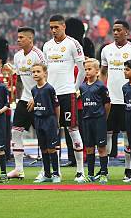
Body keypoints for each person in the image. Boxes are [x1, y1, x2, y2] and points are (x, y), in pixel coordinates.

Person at [43, 15, 86, 183]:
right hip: (50, 95)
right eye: (51, 28)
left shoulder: (73, 44)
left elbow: (82, 70)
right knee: (52, 132)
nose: (53, 30)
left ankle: (80, 171)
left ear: (63, 26)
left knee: (72, 130)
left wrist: (75, 88)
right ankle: (55, 173)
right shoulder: (47, 46)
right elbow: (45, 70)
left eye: (56, 27)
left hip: (67, 93)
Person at [100, 20, 131, 180]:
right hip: (111, 100)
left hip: (128, 101)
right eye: (114, 30)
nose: (116, 32)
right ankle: (104, 170)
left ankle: (128, 169)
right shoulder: (106, 50)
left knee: (128, 135)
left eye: (119, 30)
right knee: (108, 134)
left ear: (127, 31)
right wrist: (102, 88)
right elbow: (103, 71)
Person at [9, 27, 45, 179]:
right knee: (16, 132)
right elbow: (18, 80)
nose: (18, 40)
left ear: (30, 39)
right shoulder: (17, 56)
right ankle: (18, 169)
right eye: (18, 37)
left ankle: (46, 169)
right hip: (24, 100)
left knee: (43, 135)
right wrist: (17, 98)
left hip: (39, 99)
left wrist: (37, 97)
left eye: (22, 37)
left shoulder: (38, 55)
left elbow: (45, 76)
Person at [79, 59, 111, 183]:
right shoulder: (82, 87)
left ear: (97, 71)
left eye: (89, 69)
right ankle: (90, 174)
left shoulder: (101, 86)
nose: (87, 71)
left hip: (99, 120)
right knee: (89, 148)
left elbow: (107, 104)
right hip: (87, 121)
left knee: (101, 148)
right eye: (85, 69)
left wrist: (103, 117)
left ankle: (103, 173)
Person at [30, 64, 61, 183]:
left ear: (45, 73)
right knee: (43, 149)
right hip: (39, 121)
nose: (36, 74)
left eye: (38, 71)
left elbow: (56, 105)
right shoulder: (33, 90)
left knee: (52, 148)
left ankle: (56, 174)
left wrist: (56, 121)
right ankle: (47, 174)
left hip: (50, 120)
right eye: (33, 72)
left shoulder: (49, 88)